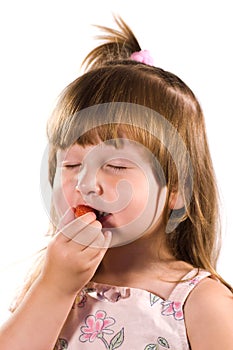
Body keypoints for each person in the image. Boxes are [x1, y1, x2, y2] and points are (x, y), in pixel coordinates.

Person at [0, 15, 232, 350]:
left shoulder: (201, 302)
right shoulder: (51, 285)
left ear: (177, 187)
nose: (86, 183)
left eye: (116, 165)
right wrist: (54, 288)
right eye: (71, 164)